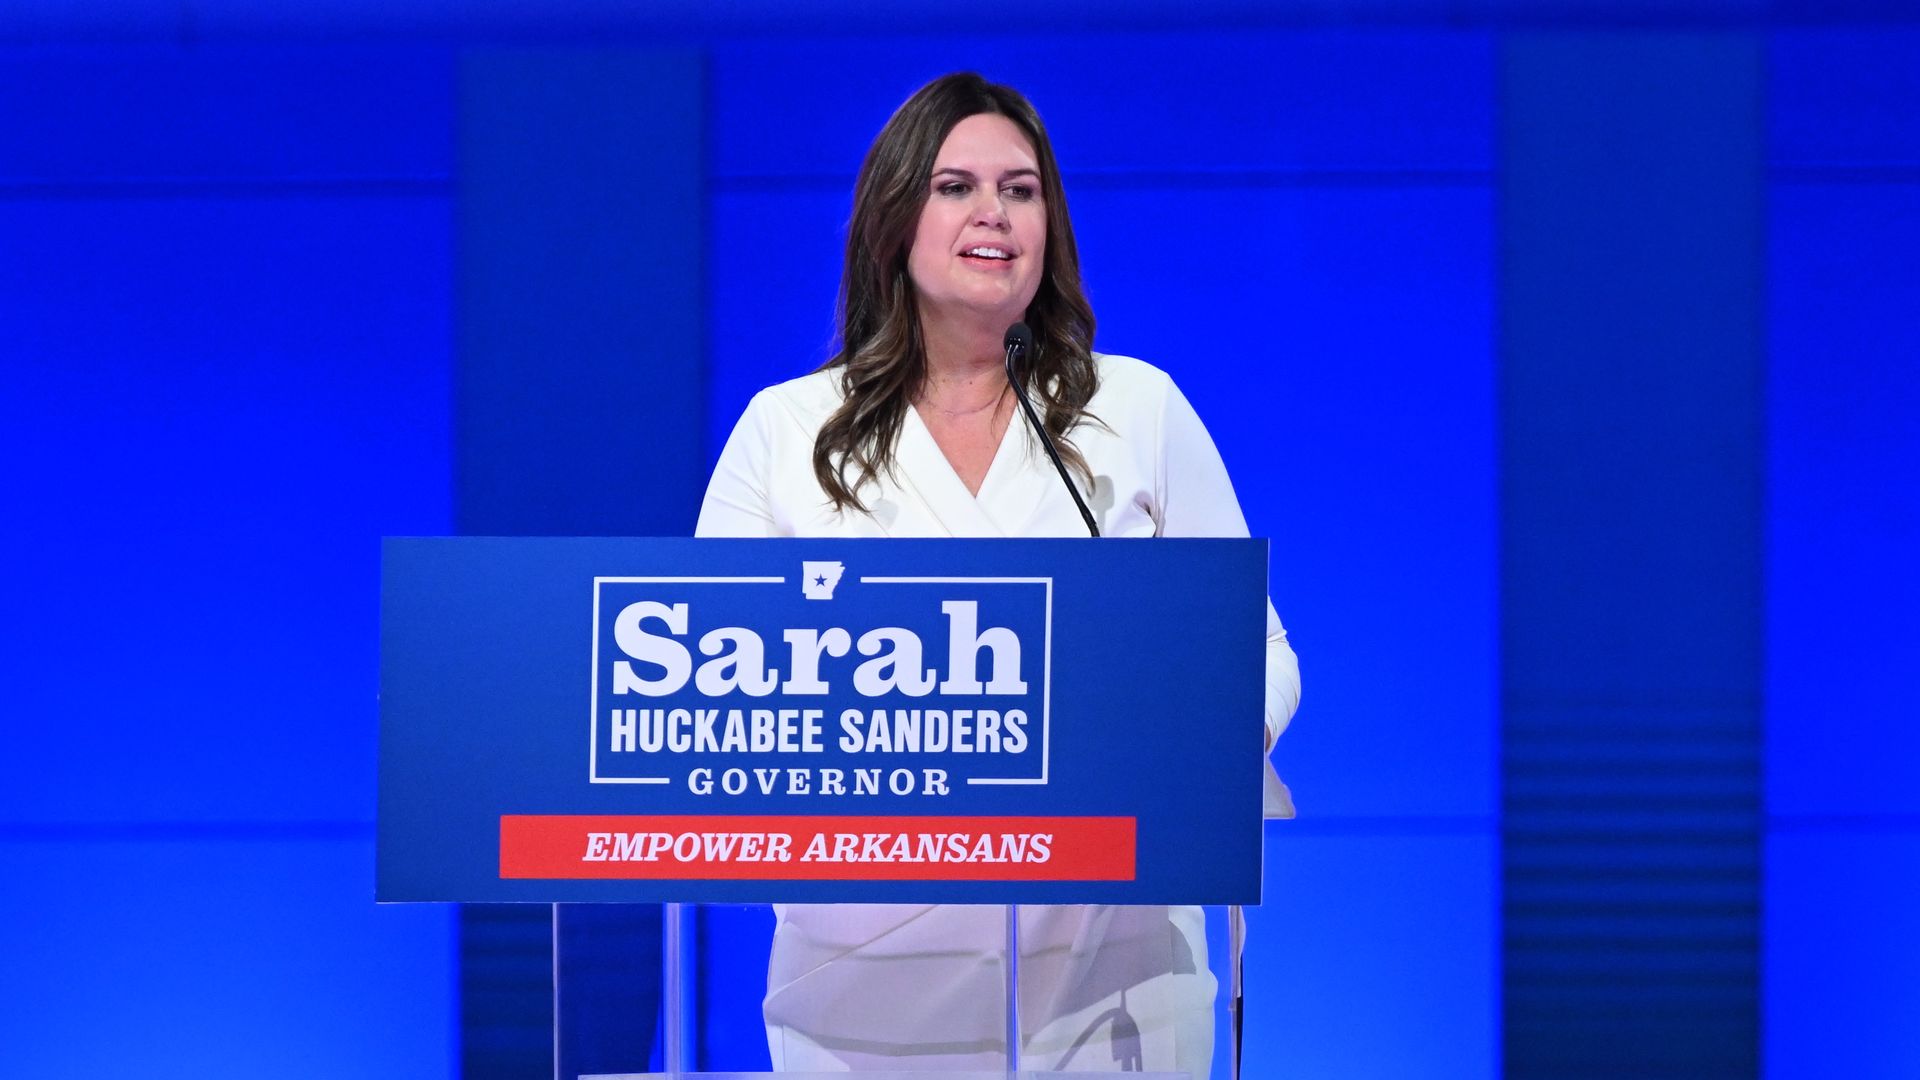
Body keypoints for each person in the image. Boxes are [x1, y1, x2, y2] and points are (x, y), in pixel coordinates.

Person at [696, 71, 1300, 1076]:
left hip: (1118, 980)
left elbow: (1259, 649)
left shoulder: (1133, 409)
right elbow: (716, 696)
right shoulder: (788, 432)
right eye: (956, 187)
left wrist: (1209, 747)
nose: (996, 213)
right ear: (895, 218)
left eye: (1022, 190)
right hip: (862, 994)